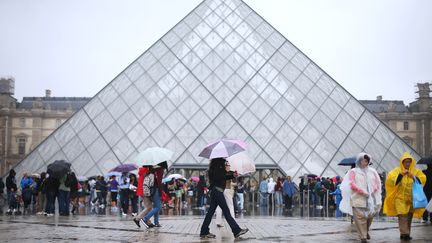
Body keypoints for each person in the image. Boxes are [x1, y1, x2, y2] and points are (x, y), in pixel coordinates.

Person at [199, 158, 248, 239]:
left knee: (211, 212)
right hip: (218, 191)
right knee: (226, 211)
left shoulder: (215, 166)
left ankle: (204, 231)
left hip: (216, 191)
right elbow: (219, 177)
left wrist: (232, 175)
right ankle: (236, 230)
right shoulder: (219, 165)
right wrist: (226, 171)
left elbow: (221, 177)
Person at [383, 152, 426, 241]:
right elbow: (392, 181)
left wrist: (413, 177)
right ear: (402, 162)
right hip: (400, 199)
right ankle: (405, 233)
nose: (407, 164)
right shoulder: (396, 171)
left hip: (412, 199)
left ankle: (405, 233)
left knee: (409, 216)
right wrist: (401, 175)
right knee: (402, 216)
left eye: (409, 162)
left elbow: (422, 180)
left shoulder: (416, 171)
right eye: (405, 162)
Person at [340, 153, 382, 242]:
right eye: (364, 160)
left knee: (369, 217)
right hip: (357, 198)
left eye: (367, 161)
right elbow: (351, 183)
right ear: (359, 161)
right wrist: (361, 191)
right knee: (360, 218)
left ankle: (365, 231)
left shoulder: (372, 171)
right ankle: (363, 236)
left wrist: (373, 190)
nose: (365, 163)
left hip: (370, 199)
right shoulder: (353, 172)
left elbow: (377, 183)